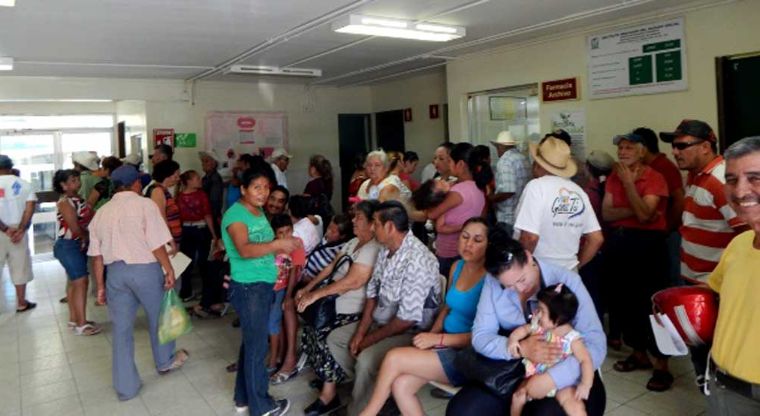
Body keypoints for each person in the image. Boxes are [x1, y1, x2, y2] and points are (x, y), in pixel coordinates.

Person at [446, 235, 607, 416]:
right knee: (462, 410)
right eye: (508, 286)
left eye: (521, 279)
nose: (519, 289)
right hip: (515, 370)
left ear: (529, 257)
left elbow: (596, 344)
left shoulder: (566, 282)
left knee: (546, 413)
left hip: (568, 373)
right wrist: (520, 348)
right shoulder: (493, 283)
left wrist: (551, 379)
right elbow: (481, 336)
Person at [359, 218, 489, 416]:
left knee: (394, 358)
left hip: (467, 355)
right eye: (465, 237)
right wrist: (432, 335)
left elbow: (483, 336)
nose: (469, 244)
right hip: (444, 343)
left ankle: (367, 413)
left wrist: (437, 339)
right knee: (401, 385)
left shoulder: (490, 278)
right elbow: (447, 307)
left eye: (477, 240)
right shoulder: (458, 267)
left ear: (489, 244)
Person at [323, 201, 440, 415]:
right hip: (383, 321)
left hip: (411, 331)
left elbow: (407, 320)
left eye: (376, 223)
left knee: (366, 358)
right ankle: (381, 394)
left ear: (389, 227)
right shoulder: (386, 250)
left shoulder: (419, 260)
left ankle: (358, 410)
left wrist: (368, 340)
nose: (372, 228)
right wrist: (360, 332)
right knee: (337, 340)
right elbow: (372, 294)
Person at [87, 165, 189, 401]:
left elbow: (97, 256)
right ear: (135, 184)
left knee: (121, 331)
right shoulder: (145, 205)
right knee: (159, 317)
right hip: (145, 271)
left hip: (115, 275)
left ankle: (126, 387)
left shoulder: (102, 212)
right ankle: (165, 361)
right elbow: (156, 243)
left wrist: (101, 286)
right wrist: (169, 269)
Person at [659, 120, 746, 388]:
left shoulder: (721, 180)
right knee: (702, 356)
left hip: (715, 288)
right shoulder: (696, 176)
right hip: (696, 284)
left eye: (682, 145)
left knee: (716, 360)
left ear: (706, 147)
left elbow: (746, 233)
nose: (675, 151)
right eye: (674, 146)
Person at [221, 165, 300, 416]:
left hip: (261, 285)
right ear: (243, 189)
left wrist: (283, 246)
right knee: (257, 350)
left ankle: (242, 399)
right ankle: (262, 407)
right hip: (249, 287)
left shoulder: (256, 212)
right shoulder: (236, 216)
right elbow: (244, 249)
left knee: (252, 345)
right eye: (257, 187)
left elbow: (263, 245)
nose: (263, 192)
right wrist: (278, 244)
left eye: (267, 187)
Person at [294, 200, 382, 416]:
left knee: (325, 334)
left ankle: (329, 396)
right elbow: (330, 268)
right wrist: (309, 288)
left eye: (358, 217)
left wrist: (315, 296)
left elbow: (352, 282)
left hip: (353, 311)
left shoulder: (373, 248)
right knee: (310, 330)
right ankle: (328, 378)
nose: (353, 220)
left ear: (372, 224)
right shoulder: (353, 243)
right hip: (333, 304)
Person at [602, 133, 672, 391]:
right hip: (620, 244)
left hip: (648, 247)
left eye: (629, 147)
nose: (622, 152)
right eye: (620, 147)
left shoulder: (655, 177)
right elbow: (607, 213)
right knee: (624, 302)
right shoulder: (613, 176)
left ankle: (662, 367)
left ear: (642, 152)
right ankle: (639, 353)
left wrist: (630, 186)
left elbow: (646, 217)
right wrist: (638, 206)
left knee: (653, 306)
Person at [705, 136, 760, 414]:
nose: (740, 191)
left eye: (755, 178)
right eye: (731, 179)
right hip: (727, 390)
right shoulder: (739, 244)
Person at [514, 137, 603, 271]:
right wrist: (576, 266)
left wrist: (520, 268)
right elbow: (596, 239)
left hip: (538, 270)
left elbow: (530, 237)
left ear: (538, 164)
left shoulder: (536, 187)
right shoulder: (578, 192)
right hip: (569, 274)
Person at [508, 284, 594, 416]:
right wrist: (513, 340)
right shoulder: (540, 327)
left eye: (542, 310)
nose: (537, 313)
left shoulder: (572, 339)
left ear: (557, 319)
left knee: (574, 405)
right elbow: (524, 329)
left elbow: (585, 360)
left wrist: (585, 384)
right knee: (518, 397)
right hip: (534, 378)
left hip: (562, 384)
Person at [425, 143, 487, 277]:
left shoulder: (456, 191)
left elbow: (431, 214)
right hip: (471, 251)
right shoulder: (479, 188)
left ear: (460, 164)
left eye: (450, 161)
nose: (448, 164)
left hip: (450, 252)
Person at [636, 126, 685, 286]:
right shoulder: (645, 168)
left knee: (672, 278)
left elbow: (679, 199)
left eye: (632, 147)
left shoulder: (664, 167)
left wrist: (669, 228)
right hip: (654, 233)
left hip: (669, 234)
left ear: (643, 149)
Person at [53, 169, 100, 335]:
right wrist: (87, 237)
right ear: (63, 185)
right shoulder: (65, 202)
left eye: (77, 179)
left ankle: (75, 320)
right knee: (81, 282)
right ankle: (81, 324)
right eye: (73, 181)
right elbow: (74, 227)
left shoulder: (77, 199)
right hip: (68, 245)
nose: (77, 183)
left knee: (75, 282)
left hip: (74, 245)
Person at [267, 214, 307, 377]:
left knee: (272, 324)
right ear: (274, 233)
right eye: (281, 233)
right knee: (273, 323)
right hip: (269, 288)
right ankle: (276, 355)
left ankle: (273, 359)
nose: (285, 236)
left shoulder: (296, 244)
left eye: (288, 231)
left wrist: (288, 295)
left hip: (283, 289)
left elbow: (294, 271)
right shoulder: (271, 244)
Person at [176, 170, 220, 304]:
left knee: (186, 262)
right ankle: (206, 292)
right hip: (201, 230)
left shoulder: (178, 197)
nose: (200, 179)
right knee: (204, 262)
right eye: (196, 178)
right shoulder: (201, 195)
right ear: (188, 181)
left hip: (186, 230)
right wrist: (214, 234)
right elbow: (207, 215)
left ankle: (185, 292)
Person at [0, 155, 37, 313]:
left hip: (3, 229)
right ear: (10, 167)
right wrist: (21, 229)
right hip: (18, 232)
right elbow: (30, 209)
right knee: (19, 266)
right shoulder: (25, 184)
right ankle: (21, 303)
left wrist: (5, 229)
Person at [490, 131, 530, 227]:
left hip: (507, 217)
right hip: (521, 215)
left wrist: (490, 199)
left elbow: (508, 191)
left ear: (500, 147)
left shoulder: (505, 161)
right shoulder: (523, 158)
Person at [301, 213, 354, 283]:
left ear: (342, 236)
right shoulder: (326, 238)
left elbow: (326, 280)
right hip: (301, 271)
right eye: (329, 227)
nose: (328, 232)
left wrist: (309, 281)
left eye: (333, 232)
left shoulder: (339, 253)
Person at [147, 160, 182, 254]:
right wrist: (170, 240)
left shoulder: (164, 190)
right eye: (176, 175)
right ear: (167, 175)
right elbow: (161, 218)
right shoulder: (158, 191)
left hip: (171, 237)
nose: (178, 178)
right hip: (166, 240)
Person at [199, 151, 224, 231]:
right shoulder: (206, 178)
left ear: (214, 164)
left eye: (206, 161)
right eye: (202, 161)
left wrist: (212, 217)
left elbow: (215, 200)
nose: (203, 164)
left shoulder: (214, 178)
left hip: (211, 216)